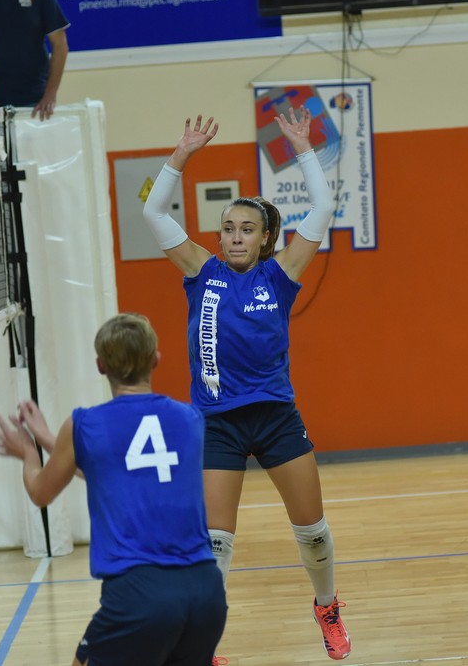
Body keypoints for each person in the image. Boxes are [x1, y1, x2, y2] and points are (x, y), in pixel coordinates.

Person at [141, 109, 352, 660]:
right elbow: (153, 210)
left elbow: (323, 207)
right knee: (215, 546)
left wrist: (302, 147)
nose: (235, 237)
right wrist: (182, 153)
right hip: (217, 424)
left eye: (246, 230)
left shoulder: (280, 275)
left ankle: (327, 606)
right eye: (229, 228)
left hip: (276, 417)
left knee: (312, 532)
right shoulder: (200, 270)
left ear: (264, 239)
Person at [0, 313, 226, 666]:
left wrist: (28, 453)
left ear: (100, 365)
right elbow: (115, 469)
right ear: (156, 359)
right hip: (206, 594)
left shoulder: (85, 424)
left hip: (138, 597)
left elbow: (40, 492)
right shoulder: (191, 419)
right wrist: (49, 437)